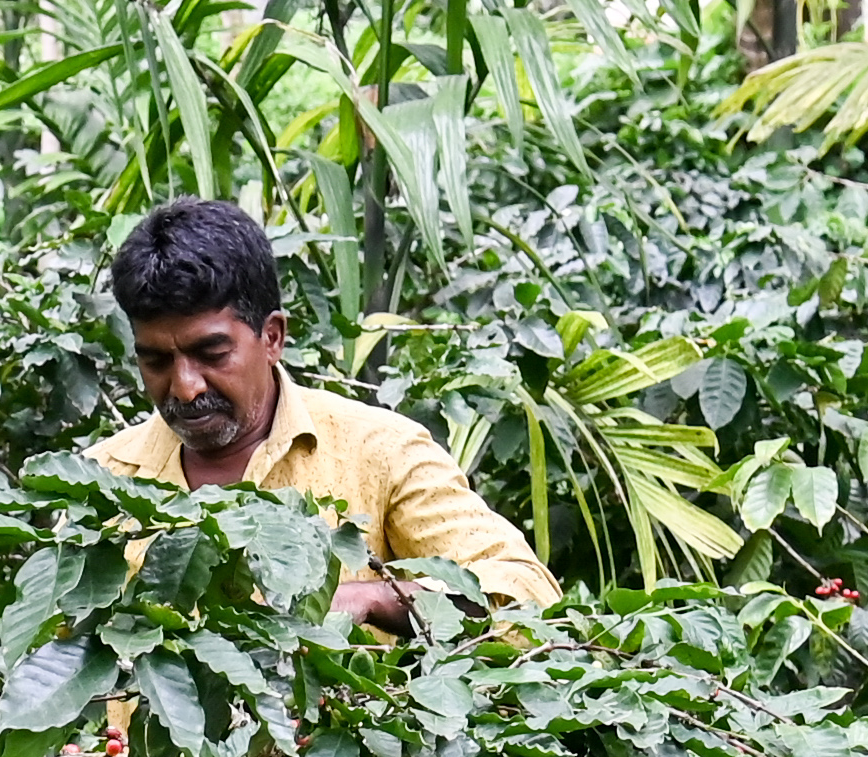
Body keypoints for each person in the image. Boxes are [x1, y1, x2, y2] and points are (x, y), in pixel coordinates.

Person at [82, 196, 554, 624]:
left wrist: (374, 599)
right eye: (156, 361)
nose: (185, 389)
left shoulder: (380, 452)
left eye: (211, 354)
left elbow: (526, 595)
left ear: (272, 338)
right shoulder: (101, 480)